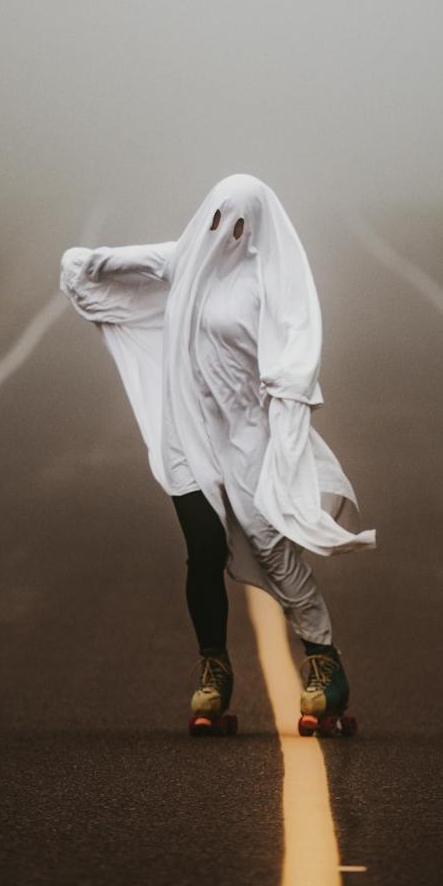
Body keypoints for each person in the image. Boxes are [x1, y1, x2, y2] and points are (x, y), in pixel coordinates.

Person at [59, 173, 375, 733]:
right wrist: (88, 262)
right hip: (188, 431)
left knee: (273, 549)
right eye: (215, 220)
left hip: (249, 437)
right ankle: (214, 669)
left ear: (254, 228)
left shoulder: (267, 282)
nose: (222, 233)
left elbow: (298, 347)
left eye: (236, 224)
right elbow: (107, 267)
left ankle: (326, 662)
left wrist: (288, 409)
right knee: (203, 547)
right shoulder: (185, 260)